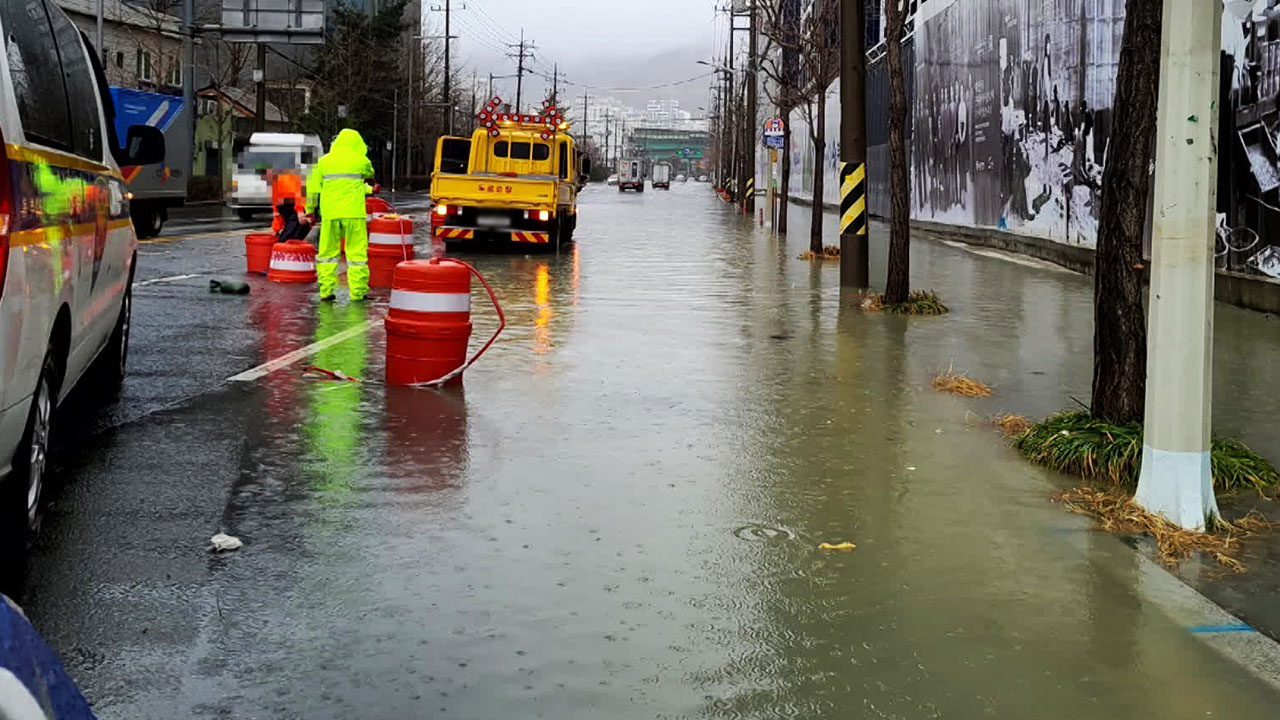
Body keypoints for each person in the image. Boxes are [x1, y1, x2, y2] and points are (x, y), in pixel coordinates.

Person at [307, 129, 376, 302]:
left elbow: (313, 189)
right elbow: (368, 175)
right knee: (356, 255)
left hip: (330, 213)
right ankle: (358, 293)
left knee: (327, 254)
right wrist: (369, 188)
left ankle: (326, 292)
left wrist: (310, 210)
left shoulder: (323, 162)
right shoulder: (362, 160)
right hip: (354, 213)